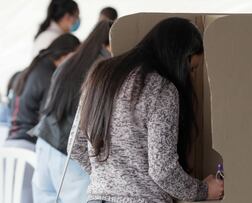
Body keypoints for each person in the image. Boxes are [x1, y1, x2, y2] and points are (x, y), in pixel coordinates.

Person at [69, 17, 224, 203]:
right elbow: (163, 171)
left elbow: (75, 147)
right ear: (179, 59)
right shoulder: (160, 88)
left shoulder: (100, 76)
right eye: (191, 69)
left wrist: (109, 182)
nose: (191, 77)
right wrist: (204, 190)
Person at [30, 20, 113, 203]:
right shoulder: (104, 66)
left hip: (45, 143)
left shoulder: (72, 61)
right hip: (68, 154)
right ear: (111, 43)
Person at [4, 33, 80, 203]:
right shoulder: (50, 76)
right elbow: (49, 117)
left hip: (10, 143)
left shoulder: (31, 69)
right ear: (66, 54)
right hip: (29, 146)